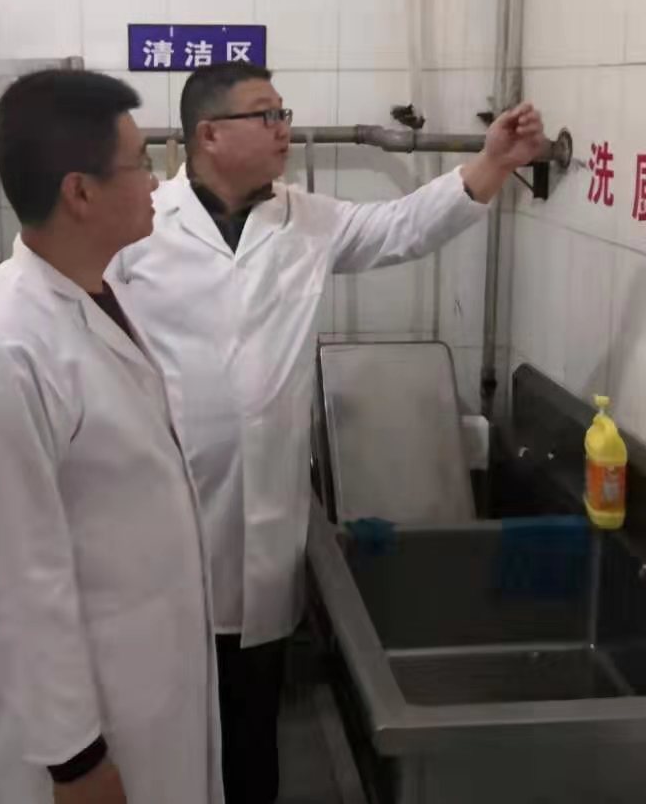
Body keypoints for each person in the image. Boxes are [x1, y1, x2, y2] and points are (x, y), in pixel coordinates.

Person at [114, 62, 546, 804]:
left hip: (265, 517)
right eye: (265, 115)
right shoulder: (142, 225)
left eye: (283, 112)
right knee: (168, 727)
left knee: (253, 718)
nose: (285, 128)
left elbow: (401, 229)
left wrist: (491, 165)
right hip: (166, 516)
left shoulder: (304, 219)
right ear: (209, 135)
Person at [0, 69, 221, 804]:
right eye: (141, 162)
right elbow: (12, 579)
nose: (158, 181)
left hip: (146, 679)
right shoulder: (1, 352)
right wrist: (76, 762)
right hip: (85, 727)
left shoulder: (99, 294)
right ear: (80, 192)